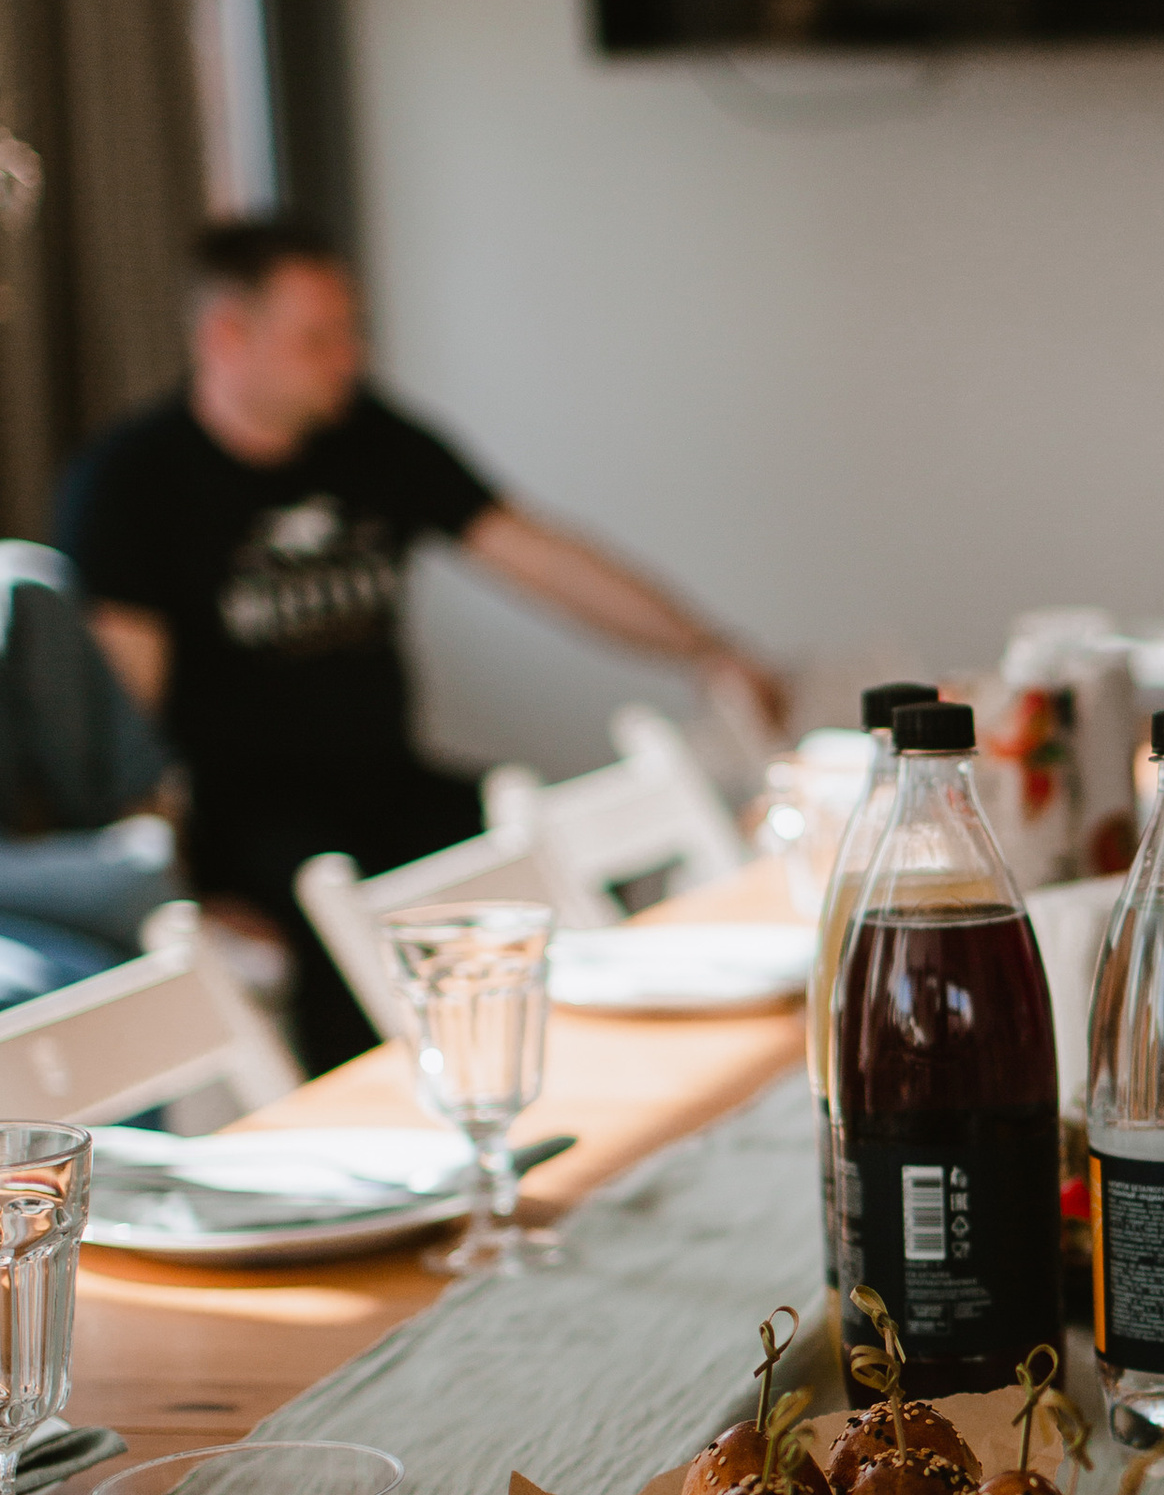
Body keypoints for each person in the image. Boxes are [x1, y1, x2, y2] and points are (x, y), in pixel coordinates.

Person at [56, 215, 788, 1066]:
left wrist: (705, 647)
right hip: (248, 829)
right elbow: (124, 717)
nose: (349, 359)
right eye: (318, 339)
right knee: (355, 987)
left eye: (351, 332)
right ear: (226, 334)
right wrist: (174, 892)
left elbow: (540, 557)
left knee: (570, 868)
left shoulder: (370, 438)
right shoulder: (132, 483)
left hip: (389, 789)